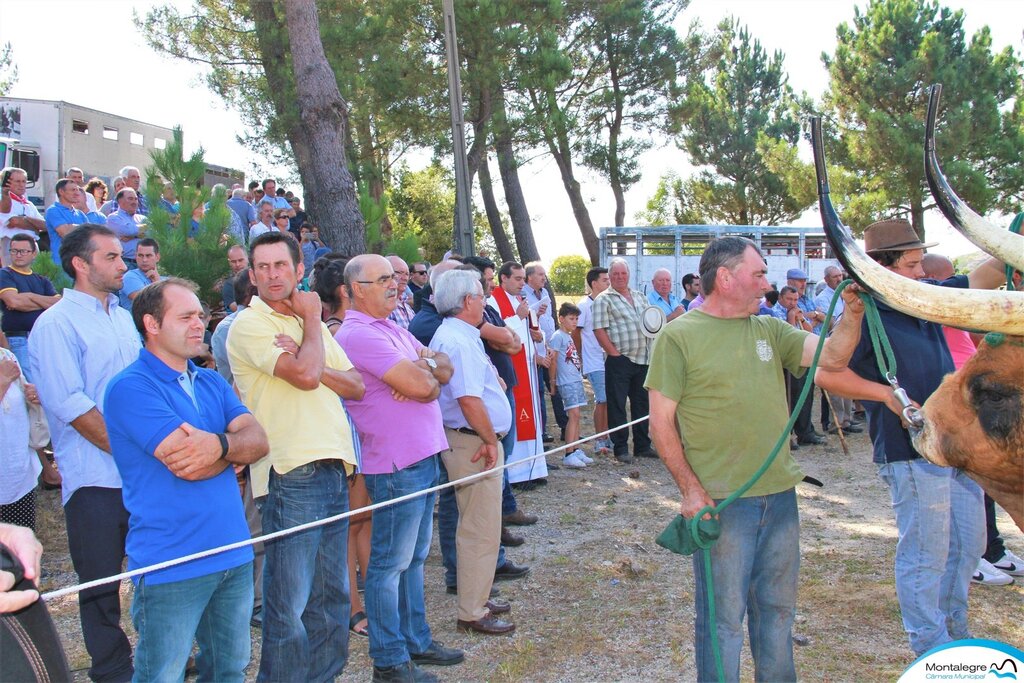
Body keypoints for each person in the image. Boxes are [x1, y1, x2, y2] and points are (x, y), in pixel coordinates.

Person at [646, 236, 865, 681]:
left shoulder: (769, 328)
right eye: (759, 274)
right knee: (723, 622)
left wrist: (855, 312)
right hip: (723, 504)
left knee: (778, 613)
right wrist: (691, 491)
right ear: (725, 278)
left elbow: (836, 356)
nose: (768, 285)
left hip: (780, 497)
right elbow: (660, 425)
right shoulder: (679, 335)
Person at [815, 218, 1007, 657]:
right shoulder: (865, 313)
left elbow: (985, 276)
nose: (923, 273)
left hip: (958, 446)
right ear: (883, 267)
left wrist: (1015, 237)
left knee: (969, 541)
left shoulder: (929, 300)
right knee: (927, 550)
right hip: (913, 450)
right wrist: (887, 396)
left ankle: (955, 629)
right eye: (913, 263)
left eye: (922, 262)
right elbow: (829, 374)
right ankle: (930, 644)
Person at [104, 278, 270, 682]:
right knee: (162, 673)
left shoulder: (210, 380)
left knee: (229, 669)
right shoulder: (130, 388)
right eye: (186, 317)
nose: (199, 324)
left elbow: (259, 441)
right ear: (151, 324)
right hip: (171, 561)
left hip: (233, 552)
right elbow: (188, 463)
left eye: (200, 315)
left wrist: (217, 445)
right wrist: (231, 448)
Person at [227, 231, 365, 682]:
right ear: (251, 275)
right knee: (289, 605)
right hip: (290, 472)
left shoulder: (309, 325)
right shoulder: (252, 324)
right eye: (262, 267)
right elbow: (307, 378)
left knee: (333, 598)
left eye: (280, 265)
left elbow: (355, 385)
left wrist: (310, 343)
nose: (271, 275)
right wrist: (311, 329)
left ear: (299, 270)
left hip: (333, 468)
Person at [337, 254, 464, 681]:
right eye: (383, 279)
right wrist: (422, 372)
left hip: (422, 455)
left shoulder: (391, 326)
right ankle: (389, 661)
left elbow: (442, 367)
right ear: (357, 289)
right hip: (394, 463)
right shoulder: (358, 335)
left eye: (395, 278)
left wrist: (423, 368)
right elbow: (425, 387)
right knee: (389, 565)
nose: (396, 285)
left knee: (413, 559)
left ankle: (416, 641)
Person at [28, 224, 141, 682]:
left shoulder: (121, 316)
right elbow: (73, 406)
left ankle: (156, 653)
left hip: (141, 472)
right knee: (100, 586)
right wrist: (132, 454)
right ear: (81, 263)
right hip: (95, 478)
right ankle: (112, 669)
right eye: (112, 257)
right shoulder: (55, 324)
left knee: (154, 572)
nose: (122, 265)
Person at [429, 268, 516, 637]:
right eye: (481, 295)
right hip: (473, 442)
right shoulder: (459, 340)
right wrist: (488, 439)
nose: (485, 300)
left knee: (481, 524)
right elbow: (467, 399)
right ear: (468, 301)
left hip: (472, 439)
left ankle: (476, 595)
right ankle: (472, 610)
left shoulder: (460, 335)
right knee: (479, 528)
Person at [488, 261, 547, 486]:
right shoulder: (494, 299)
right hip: (511, 365)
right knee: (517, 418)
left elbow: (526, 332)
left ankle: (533, 467)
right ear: (503, 278)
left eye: (524, 279)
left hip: (528, 366)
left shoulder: (518, 300)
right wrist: (519, 317)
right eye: (518, 279)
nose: (523, 283)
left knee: (531, 414)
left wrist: (536, 330)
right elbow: (498, 331)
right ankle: (517, 474)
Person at [593, 258, 654, 464]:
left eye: (623, 273)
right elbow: (599, 329)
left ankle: (642, 446)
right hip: (620, 359)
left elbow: (651, 323)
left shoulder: (640, 296)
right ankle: (620, 448)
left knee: (641, 404)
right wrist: (613, 353)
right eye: (616, 274)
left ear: (629, 275)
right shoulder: (604, 299)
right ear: (609, 277)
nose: (620, 277)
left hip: (643, 358)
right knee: (617, 404)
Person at [0, 348, 46, 530]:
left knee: (21, 553)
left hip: (18, 477)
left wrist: (33, 395)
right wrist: (3, 382)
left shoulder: (6, 356)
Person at [522, 261, 565, 443]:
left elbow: (549, 320)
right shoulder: (523, 294)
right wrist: (536, 315)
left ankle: (566, 426)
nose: (544, 278)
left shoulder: (545, 293)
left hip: (547, 348)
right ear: (529, 276)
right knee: (538, 391)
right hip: (534, 351)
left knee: (556, 387)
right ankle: (542, 430)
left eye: (544, 275)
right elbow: (525, 323)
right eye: (540, 275)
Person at [548, 302, 591, 468]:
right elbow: (553, 361)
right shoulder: (558, 336)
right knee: (572, 416)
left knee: (577, 415)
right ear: (561, 319)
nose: (575, 322)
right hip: (566, 382)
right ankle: (568, 453)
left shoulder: (568, 336)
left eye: (576, 319)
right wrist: (553, 382)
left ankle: (576, 448)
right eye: (571, 318)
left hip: (575, 380)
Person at [574, 267, 611, 453]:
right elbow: (576, 333)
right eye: (605, 280)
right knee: (602, 399)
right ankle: (600, 439)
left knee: (610, 400)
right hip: (593, 361)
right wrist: (580, 357)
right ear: (594, 283)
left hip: (609, 359)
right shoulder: (584, 305)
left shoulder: (608, 302)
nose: (608, 283)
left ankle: (608, 435)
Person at [1, 167, 46, 267]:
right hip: (13, 246)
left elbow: (45, 226)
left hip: (32, 245)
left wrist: (25, 219)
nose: (21, 185)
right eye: (17, 181)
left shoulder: (28, 204)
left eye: (24, 181)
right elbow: (13, 222)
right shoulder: (4, 201)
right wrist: (35, 226)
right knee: (14, 279)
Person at [43, 178, 88, 265]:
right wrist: (83, 227)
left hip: (80, 261)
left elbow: (90, 233)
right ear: (61, 192)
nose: (77, 193)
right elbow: (65, 232)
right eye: (73, 190)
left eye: (77, 190)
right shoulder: (53, 210)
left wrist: (72, 227)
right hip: (61, 262)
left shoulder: (80, 214)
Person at [117, 238, 165, 311]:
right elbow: (146, 304)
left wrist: (157, 280)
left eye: (148, 255)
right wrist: (157, 283)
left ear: (157, 257)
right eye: (140, 255)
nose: (144, 260)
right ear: (135, 256)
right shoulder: (130, 277)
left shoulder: (165, 280)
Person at [105, 188, 147, 269]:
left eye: (136, 199)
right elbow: (129, 231)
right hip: (124, 263)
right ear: (120, 202)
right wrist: (140, 233)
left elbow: (152, 233)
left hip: (143, 263)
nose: (134, 202)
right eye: (130, 199)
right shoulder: (113, 218)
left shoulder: (142, 218)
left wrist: (134, 236)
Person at [385, 255, 415, 329]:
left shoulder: (406, 304)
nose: (405, 278)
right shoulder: (384, 306)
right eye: (399, 273)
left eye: (407, 274)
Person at [222, 244, 250, 313]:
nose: (237, 264)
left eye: (240, 260)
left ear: (248, 258)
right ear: (229, 263)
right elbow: (235, 308)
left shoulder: (259, 277)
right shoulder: (229, 285)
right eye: (233, 262)